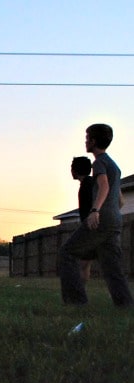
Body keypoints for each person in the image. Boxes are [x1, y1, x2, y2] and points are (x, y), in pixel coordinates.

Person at [59, 124, 133, 307]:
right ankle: (125, 305)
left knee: (67, 253)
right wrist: (109, 209)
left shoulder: (99, 162)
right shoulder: (113, 165)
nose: (85, 141)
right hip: (115, 219)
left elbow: (104, 186)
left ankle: (76, 302)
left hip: (102, 218)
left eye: (87, 138)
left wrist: (95, 210)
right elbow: (120, 200)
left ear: (93, 141)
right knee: (112, 266)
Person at [70, 156, 94, 284]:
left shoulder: (87, 185)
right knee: (85, 263)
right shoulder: (88, 183)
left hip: (91, 229)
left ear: (76, 170)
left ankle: (78, 292)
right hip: (90, 228)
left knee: (81, 263)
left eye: (71, 168)